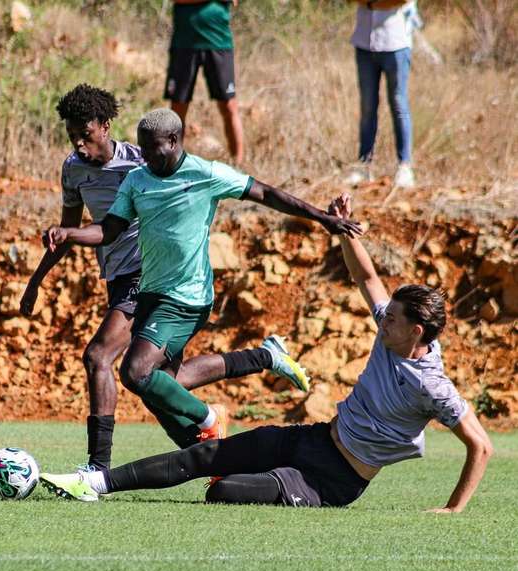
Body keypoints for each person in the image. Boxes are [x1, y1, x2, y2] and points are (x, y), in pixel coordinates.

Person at [40, 194, 493, 511]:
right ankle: (94, 483)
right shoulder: (393, 330)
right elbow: (368, 280)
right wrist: (342, 229)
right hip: (314, 438)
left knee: (223, 493)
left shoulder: (432, 384)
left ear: (417, 332)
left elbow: (481, 446)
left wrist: (453, 509)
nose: (382, 319)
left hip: (332, 480)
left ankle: (260, 473)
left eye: (391, 318)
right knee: (204, 456)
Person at [42, 108, 362, 455]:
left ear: (174, 141)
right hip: (152, 293)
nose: (145, 157)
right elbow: (109, 231)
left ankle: (207, 419)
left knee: (135, 372)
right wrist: (69, 233)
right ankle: (216, 454)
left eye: (152, 149)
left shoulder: (206, 173)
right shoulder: (137, 180)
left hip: (187, 297)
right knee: (162, 387)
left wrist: (320, 217)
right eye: (142, 149)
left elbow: (266, 194)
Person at [20, 84, 145, 472]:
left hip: (147, 274)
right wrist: (35, 281)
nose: (77, 144)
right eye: (72, 135)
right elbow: (68, 229)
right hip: (117, 279)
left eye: (85, 134)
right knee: (161, 378)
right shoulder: (73, 170)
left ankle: (97, 468)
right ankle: (259, 360)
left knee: (98, 356)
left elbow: (106, 229)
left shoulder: (139, 164)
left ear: (105, 126)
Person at [344, 0, 420, 188]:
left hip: (395, 42)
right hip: (364, 41)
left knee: (398, 103)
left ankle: (404, 166)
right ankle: (364, 165)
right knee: (367, 106)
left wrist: (372, 3)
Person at [165, 0, 243, 163]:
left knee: (229, 106)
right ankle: (172, 164)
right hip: (184, 44)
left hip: (219, 42)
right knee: (178, 107)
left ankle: (239, 164)